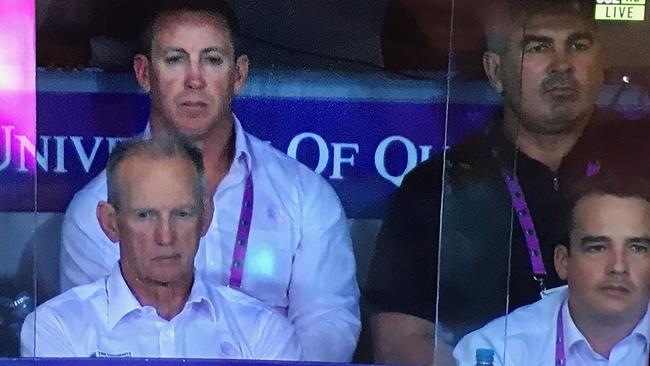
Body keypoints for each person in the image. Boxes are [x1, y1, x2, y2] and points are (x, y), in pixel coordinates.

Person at [58, 0, 360, 361]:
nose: (195, 80)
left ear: (239, 74)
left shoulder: (305, 197)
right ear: (143, 73)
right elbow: (89, 339)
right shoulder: (95, 213)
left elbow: (327, 326)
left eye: (212, 59)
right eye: (175, 59)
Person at [365, 0, 627, 364]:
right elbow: (400, 338)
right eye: (538, 47)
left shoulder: (639, 169)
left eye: (578, 45)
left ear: (601, 65)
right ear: (495, 70)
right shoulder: (440, 187)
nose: (563, 64)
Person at [22, 137, 302, 359]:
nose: (165, 236)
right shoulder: (58, 329)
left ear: (205, 218)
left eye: (181, 214)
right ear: (110, 223)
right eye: (145, 215)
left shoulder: (262, 332)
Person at [453, 172, 650, 366]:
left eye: (637, 248)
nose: (618, 266)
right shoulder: (498, 350)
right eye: (597, 247)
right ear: (563, 261)